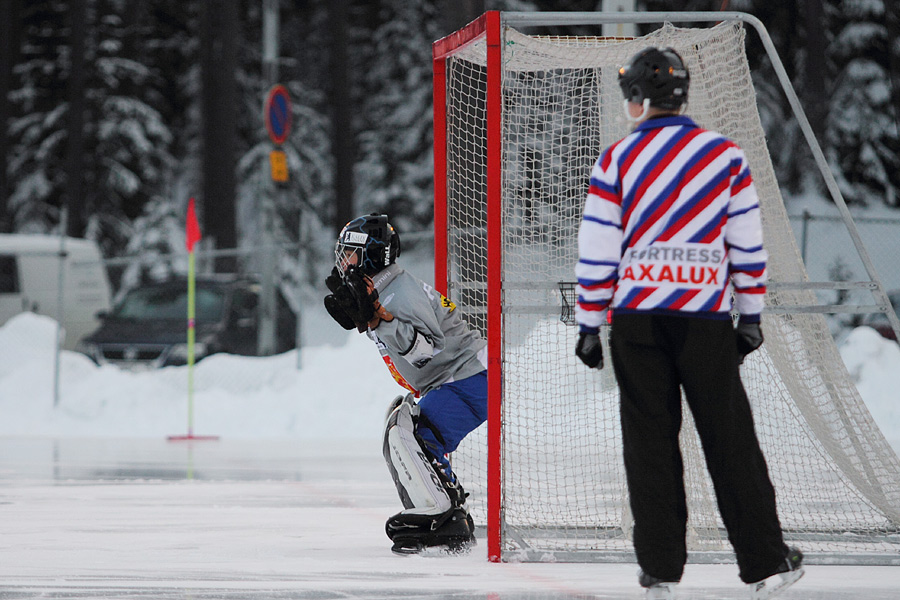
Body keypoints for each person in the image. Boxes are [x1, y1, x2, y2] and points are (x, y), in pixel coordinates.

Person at [574, 47, 804, 600]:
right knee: (730, 440)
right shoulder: (725, 157)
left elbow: (597, 248)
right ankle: (767, 564)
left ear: (636, 98)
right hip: (703, 320)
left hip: (637, 321)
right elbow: (748, 245)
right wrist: (749, 315)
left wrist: (588, 323)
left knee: (649, 444)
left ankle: (659, 572)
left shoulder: (617, 161)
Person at [324, 212, 488, 555]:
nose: (344, 262)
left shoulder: (398, 294)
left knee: (409, 432)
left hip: (469, 377)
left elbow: (427, 351)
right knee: (402, 427)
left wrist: (377, 320)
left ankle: (442, 517)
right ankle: (446, 511)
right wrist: (371, 317)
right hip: (458, 379)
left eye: (349, 253)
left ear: (369, 254)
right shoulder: (383, 289)